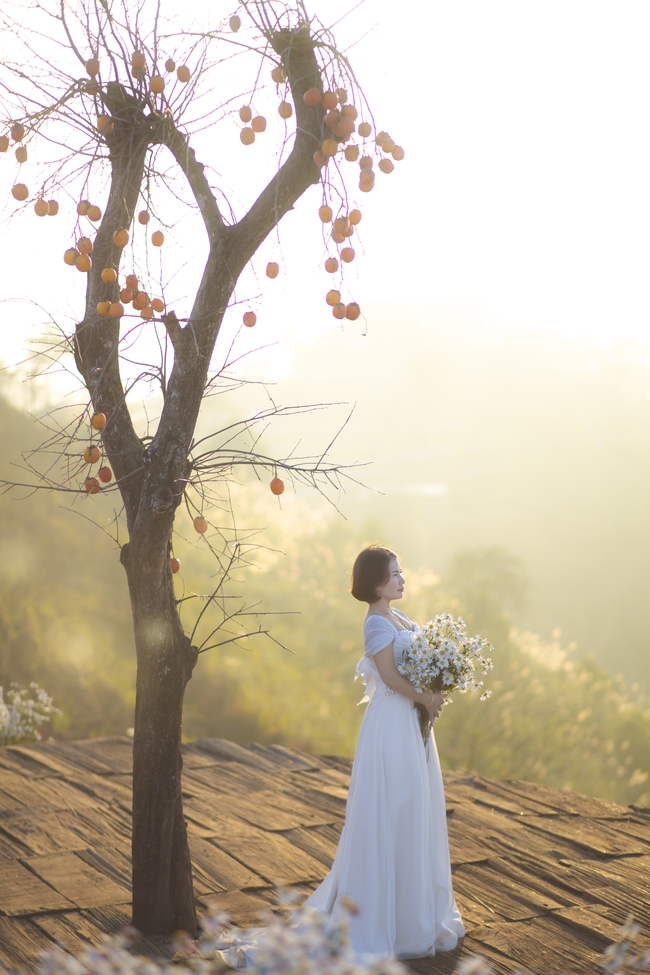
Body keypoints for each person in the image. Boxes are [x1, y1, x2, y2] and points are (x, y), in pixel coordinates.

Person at [303, 544, 465, 960]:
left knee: (414, 808)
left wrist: (434, 690)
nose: (402, 578)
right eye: (394, 573)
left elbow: (414, 662)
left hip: (409, 723)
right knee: (394, 806)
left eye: (401, 571)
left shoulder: (397, 616)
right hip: (392, 723)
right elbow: (390, 678)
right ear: (375, 582)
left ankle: (412, 914)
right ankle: (383, 921)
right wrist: (427, 699)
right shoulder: (376, 623)